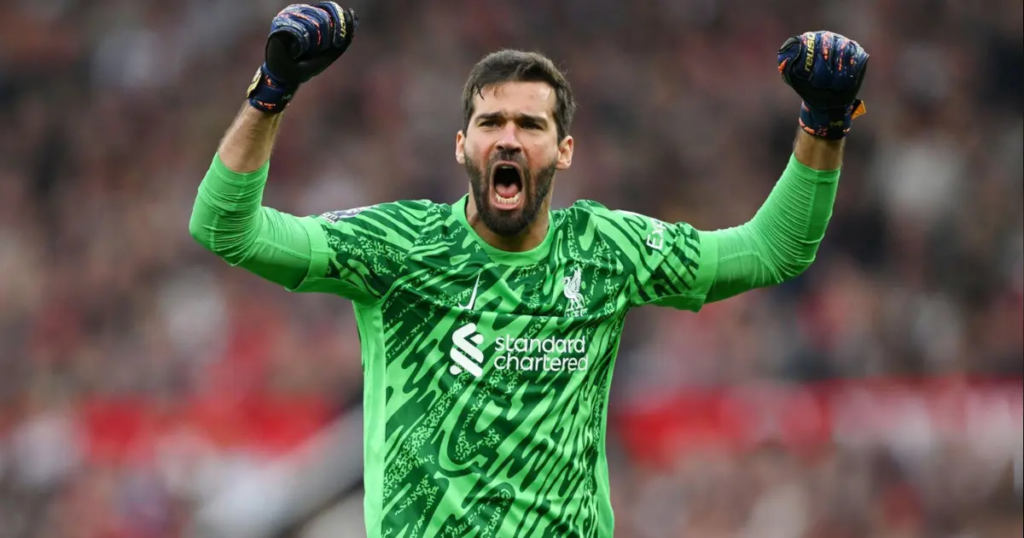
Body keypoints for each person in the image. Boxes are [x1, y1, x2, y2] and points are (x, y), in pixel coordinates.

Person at [189, 3, 870, 537]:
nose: (508, 136)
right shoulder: (398, 246)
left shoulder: (605, 249)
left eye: (530, 124)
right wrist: (271, 91)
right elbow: (225, 227)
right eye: (490, 122)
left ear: (563, 149)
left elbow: (772, 250)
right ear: (463, 145)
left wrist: (825, 124)